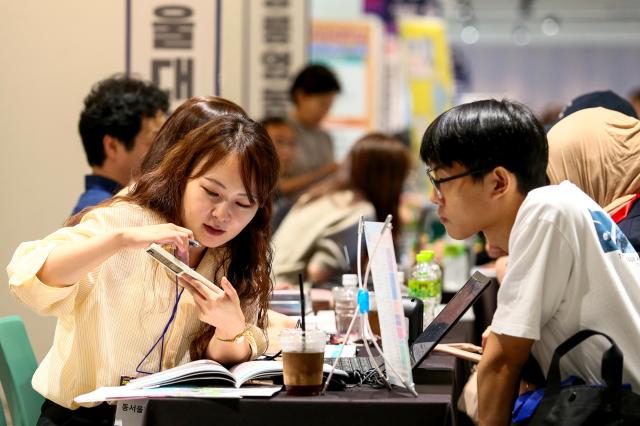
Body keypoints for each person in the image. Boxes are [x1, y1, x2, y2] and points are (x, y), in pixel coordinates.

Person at [7, 110, 279, 424]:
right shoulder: (125, 220)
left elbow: (224, 361)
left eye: (243, 203)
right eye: (211, 192)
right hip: (86, 418)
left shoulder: (237, 255)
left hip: (172, 417)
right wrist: (117, 241)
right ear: (183, 175)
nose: (222, 214)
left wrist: (231, 330)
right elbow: (28, 276)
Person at [419, 99, 640, 425]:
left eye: (441, 180)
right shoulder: (559, 204)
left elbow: (502, 362)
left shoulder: (545, 211)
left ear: (498, 182)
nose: (433, 197)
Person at [272, 132, 410, 287]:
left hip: (269, 287)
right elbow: (317, 271)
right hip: (288, 295)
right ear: (387, 179)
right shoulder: (359, 210)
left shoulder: (320, 195)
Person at [72, 75, 169, 215]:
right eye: (155, 141)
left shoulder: (109, 207)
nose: (164, 150)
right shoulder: (100, 215)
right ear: (112, 146)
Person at [283, 64, 341, 198]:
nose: (326, 111)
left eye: (330, 105)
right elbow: (277, 187)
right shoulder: (280, 132)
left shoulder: (325, 137)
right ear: (301, 96)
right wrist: (324, 171)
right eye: (322, 103)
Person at [260, 117, 297, 231]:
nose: (287, 151)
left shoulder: (281, 199)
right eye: (279, 142)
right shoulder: (249, 190)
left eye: (291, 144)